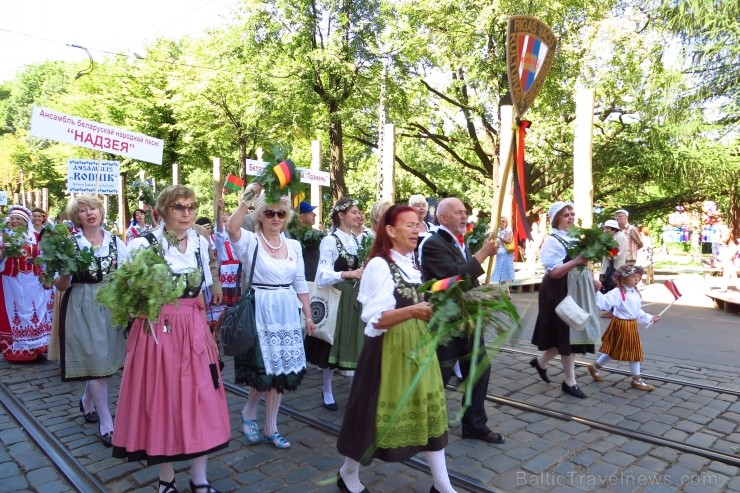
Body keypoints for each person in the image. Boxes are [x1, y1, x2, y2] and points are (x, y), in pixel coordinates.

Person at [112, 185, 229, 493]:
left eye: (191, 206)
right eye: (179, 207)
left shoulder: (201, 242)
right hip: (157, 331)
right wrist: (145, 303)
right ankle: (166, 479)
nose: (187, 213)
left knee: (202, 397)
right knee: (160, 400)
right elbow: (125, 295)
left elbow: (207, 278)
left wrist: (211, 306)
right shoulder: (143, 244)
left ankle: (200, 479)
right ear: (163, 211)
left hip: (193, 326)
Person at [336, 205, 455, 493]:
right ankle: (348, 473)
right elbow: (374, 318)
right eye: (409, 225)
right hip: (388, 351)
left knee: (427, 412)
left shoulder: (411, 264)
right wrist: (414, 311)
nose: (417, 229)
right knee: (372, 418)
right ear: (390, 230)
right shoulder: (380, 264)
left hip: (418, 347)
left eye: (418, 224)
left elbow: (424, 299)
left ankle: (442, 486)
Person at [227, 183, 314, 449]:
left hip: (286, 311)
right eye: (269, 213)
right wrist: (248, 199)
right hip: (260, 310)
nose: (275, 218)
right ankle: (250, 410)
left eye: (280, 214)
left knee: (280, 374)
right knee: (264, 371)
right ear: (261, 216)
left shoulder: (295, 246)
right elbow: (232, 228)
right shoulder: (251, 241)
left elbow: (300, 282)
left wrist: (308, 316)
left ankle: (271, 427)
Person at [420, 197, 504, 444]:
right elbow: (450, 278)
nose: (464, 216)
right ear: (443, 217)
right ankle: (424, 422)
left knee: (479, 369)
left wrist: (487, 293)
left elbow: (469, 281)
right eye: (458, 212)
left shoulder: (460, 241)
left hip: (468, 317)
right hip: (446, 321)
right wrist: (482, 255)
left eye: (465, 212)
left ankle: (474, 424)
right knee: (441, 374)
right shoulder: (432, 243)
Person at [54, 195, 128, 446]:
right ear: (78, 217)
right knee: (96, 359)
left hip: (111, 304)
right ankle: (106, 421)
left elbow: (125, 276)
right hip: (83, 303)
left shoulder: (116, 243)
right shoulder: (70, 245)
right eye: (83, 210)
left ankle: (87, 400)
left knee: (104, 361)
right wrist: (65, 270)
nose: (89, 213)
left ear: (101, 212)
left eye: (93, 208)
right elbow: (60, 285)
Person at [529, 201, 602, 399]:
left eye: (572, 213)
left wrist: (592, 278)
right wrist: (577, 261)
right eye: (565, 214)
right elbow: (554, 272)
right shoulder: (552, 240)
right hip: (558, 290)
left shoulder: (574, 238)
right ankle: (569, 382)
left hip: (576, 288)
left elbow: (581, 264)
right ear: (556, 219)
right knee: (567, 334)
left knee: (567, 333)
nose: (570, 217)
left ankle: (541, 363)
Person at [304, 197, 365, 411]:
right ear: (341, 215)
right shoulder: (330, 241)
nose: (358, 215)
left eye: (359, 212)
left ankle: (357, 391)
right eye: (354, 212)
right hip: (338, 298)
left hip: (356, 298)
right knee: (333, 343)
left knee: (355, 343)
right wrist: (347, 273)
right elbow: (321, 275)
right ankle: (327, 388)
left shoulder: (357, 240)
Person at [588, 265, 660, 391]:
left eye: (638, 277)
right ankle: (637, 380)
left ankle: (595, 367)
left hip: (629, 324)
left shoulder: (634, 292)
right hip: (622, 325)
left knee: (613, 350)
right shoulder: (617, 292)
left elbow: (636, 311)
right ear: (623, 279)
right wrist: (597, 291)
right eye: (633, 277)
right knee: (635, 353)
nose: (637, 280)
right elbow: (604, 303)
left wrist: (650, 318)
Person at [0, 205, 51, 362]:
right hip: (11, 281)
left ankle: (35, 348)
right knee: (14, 310)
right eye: (12, 218)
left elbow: (42, 258)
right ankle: (16, 351)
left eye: (18, 219)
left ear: (25, 221)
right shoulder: (3, 237)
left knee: (34, 310)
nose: (14, 221)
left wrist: (45, 270)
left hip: (32, 281)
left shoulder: (34, 237)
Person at [598, 219, 628, 294]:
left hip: (615, 269)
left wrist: (604, 250)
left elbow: (615, 254)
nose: (605, 230)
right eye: (605, 228)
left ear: (613, 229)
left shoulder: (621, 238)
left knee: (614, 293)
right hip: (607, 270)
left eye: (607, 228)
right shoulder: (610, 238)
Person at [491, 216, 515, 298]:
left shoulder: (508, 231)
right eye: (500, 221)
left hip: (506, 253)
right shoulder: (495, 232)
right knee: (501, 273)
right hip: (499, 254)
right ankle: (507, 293)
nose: (501, 223)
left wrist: (498, 237)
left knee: (503, 273)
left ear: (506, 223)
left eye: (503, 221)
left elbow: (509, 241)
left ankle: (504, 293)